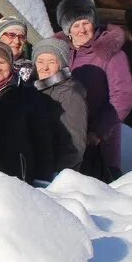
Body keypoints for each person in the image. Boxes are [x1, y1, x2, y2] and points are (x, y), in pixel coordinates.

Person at [55, 0, 132, 181]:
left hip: (99, 142)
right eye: (75, 25)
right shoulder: (58, 54)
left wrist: (97, 132)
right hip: (64, 139)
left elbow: (122, 98)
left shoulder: (110, 54)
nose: (82, 29)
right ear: (67, 30)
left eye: (85, 22)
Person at [0, 40, 53, 184]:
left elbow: (42, 141)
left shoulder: (29, 95)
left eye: (2, 63)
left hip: (17, 175)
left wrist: (42, 178)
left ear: (11, 64)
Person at [31, 37, 89, 175]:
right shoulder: (34, 88)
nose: (44, 67)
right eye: (40, 61)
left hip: (54, 175)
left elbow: (75, 143)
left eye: (51, 62)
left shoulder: (69, 94)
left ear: (61, 64)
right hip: (38, 169)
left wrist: (60, 176)